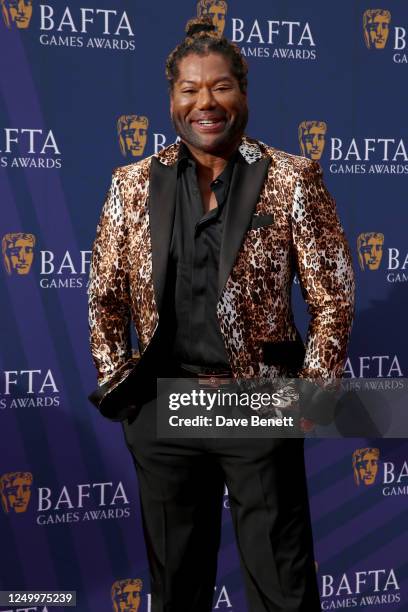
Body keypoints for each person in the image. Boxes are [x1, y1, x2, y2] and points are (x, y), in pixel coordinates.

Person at [88, 17, 355, 612]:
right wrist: (121, 383)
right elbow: (104, 296)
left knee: (282, 588)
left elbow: (332, 296)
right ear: (172, 99)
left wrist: (311, 398)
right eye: (189, 89)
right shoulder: (131, 185)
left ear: (243, 91)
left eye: (220, 87)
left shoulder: (292, 178)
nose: (205, 102)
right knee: (176, 588)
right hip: (165, 408)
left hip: (256, 404)